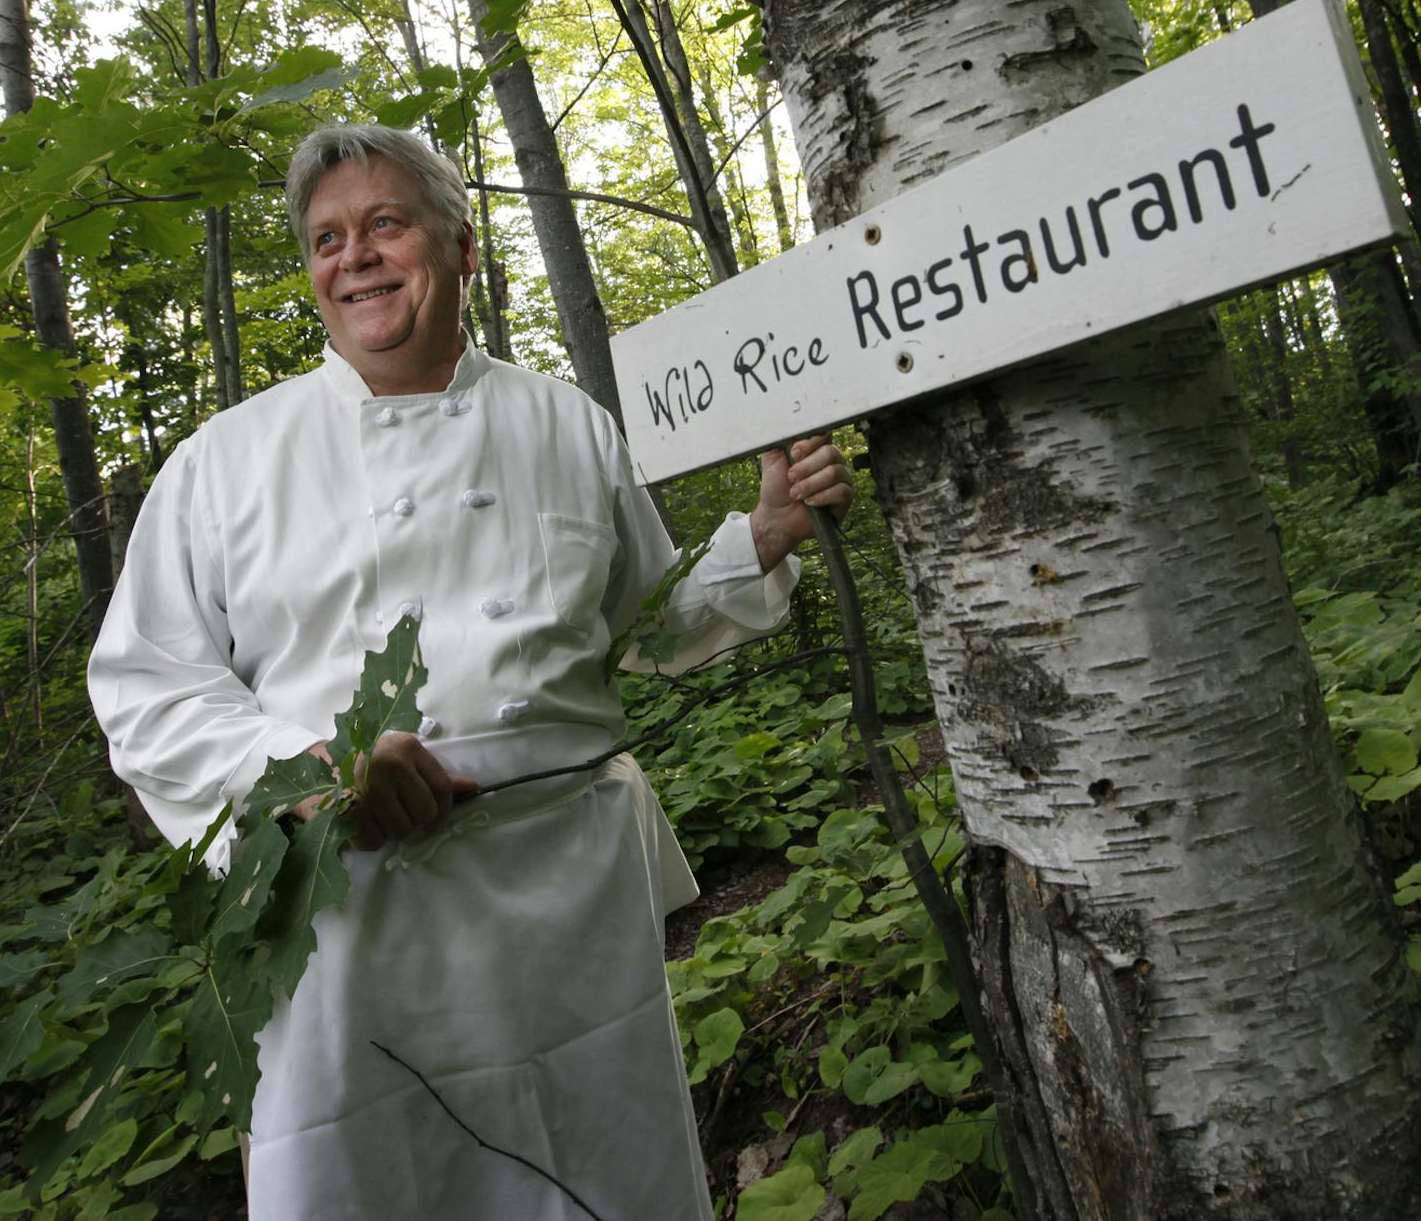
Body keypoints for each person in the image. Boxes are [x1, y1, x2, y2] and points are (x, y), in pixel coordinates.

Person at [87, 123, 853, 1219]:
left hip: (567, 907)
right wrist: (307, 770)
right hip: (352, 926)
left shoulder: (565, 424)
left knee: (601, 1172)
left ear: (462, 249)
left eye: (385, 224)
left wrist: (767, 533)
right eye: (326, 239)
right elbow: (146, 688)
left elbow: (646, 621)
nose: (354, 256)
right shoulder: (227, 462)